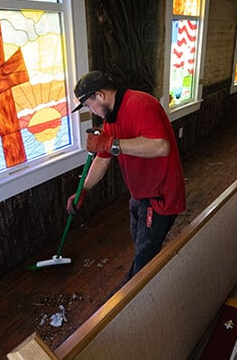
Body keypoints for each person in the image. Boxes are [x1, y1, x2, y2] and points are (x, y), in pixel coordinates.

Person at [67, 70, 186, 280]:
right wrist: (83, 189)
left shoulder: (140, 104)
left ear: (100, 95)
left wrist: (111, 144)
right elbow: (103, 158)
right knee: (140, 243)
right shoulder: (110, 118)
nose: (91, 110)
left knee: (144, 258)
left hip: (160, 197)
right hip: (139, 195)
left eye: (88, 105)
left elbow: (161, 146)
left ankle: (128, 303)